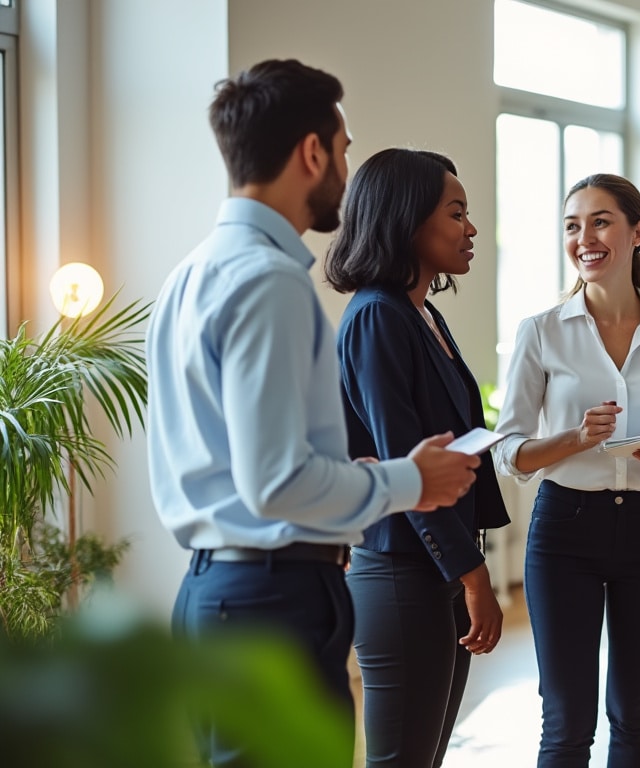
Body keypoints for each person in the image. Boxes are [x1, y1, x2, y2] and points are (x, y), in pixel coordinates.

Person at [146, 60, 481, 766]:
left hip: (221, 588)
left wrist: (345, 474)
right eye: (346, 147)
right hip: (273, 596)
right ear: (311, 152)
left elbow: (244, 460)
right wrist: (405, 481)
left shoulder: (191, 273)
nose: (347, 171)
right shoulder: (269, 282)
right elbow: (274, 482)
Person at [492, 173, 640, 767]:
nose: (584, 237)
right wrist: (575, 437)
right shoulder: (541, 332)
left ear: (637, 232)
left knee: (635, 713)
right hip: (565, 529)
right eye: (573, 225)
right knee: (567, 721)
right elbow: (508, 451)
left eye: (600, 221)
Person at [325, 148, 511, 767]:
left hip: (436, 569)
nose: (471, 228)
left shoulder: (421, 312)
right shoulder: (378, 316)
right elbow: (406, 464)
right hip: (401, 572)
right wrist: (474, 575)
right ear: (406, 220)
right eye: (456, 213)